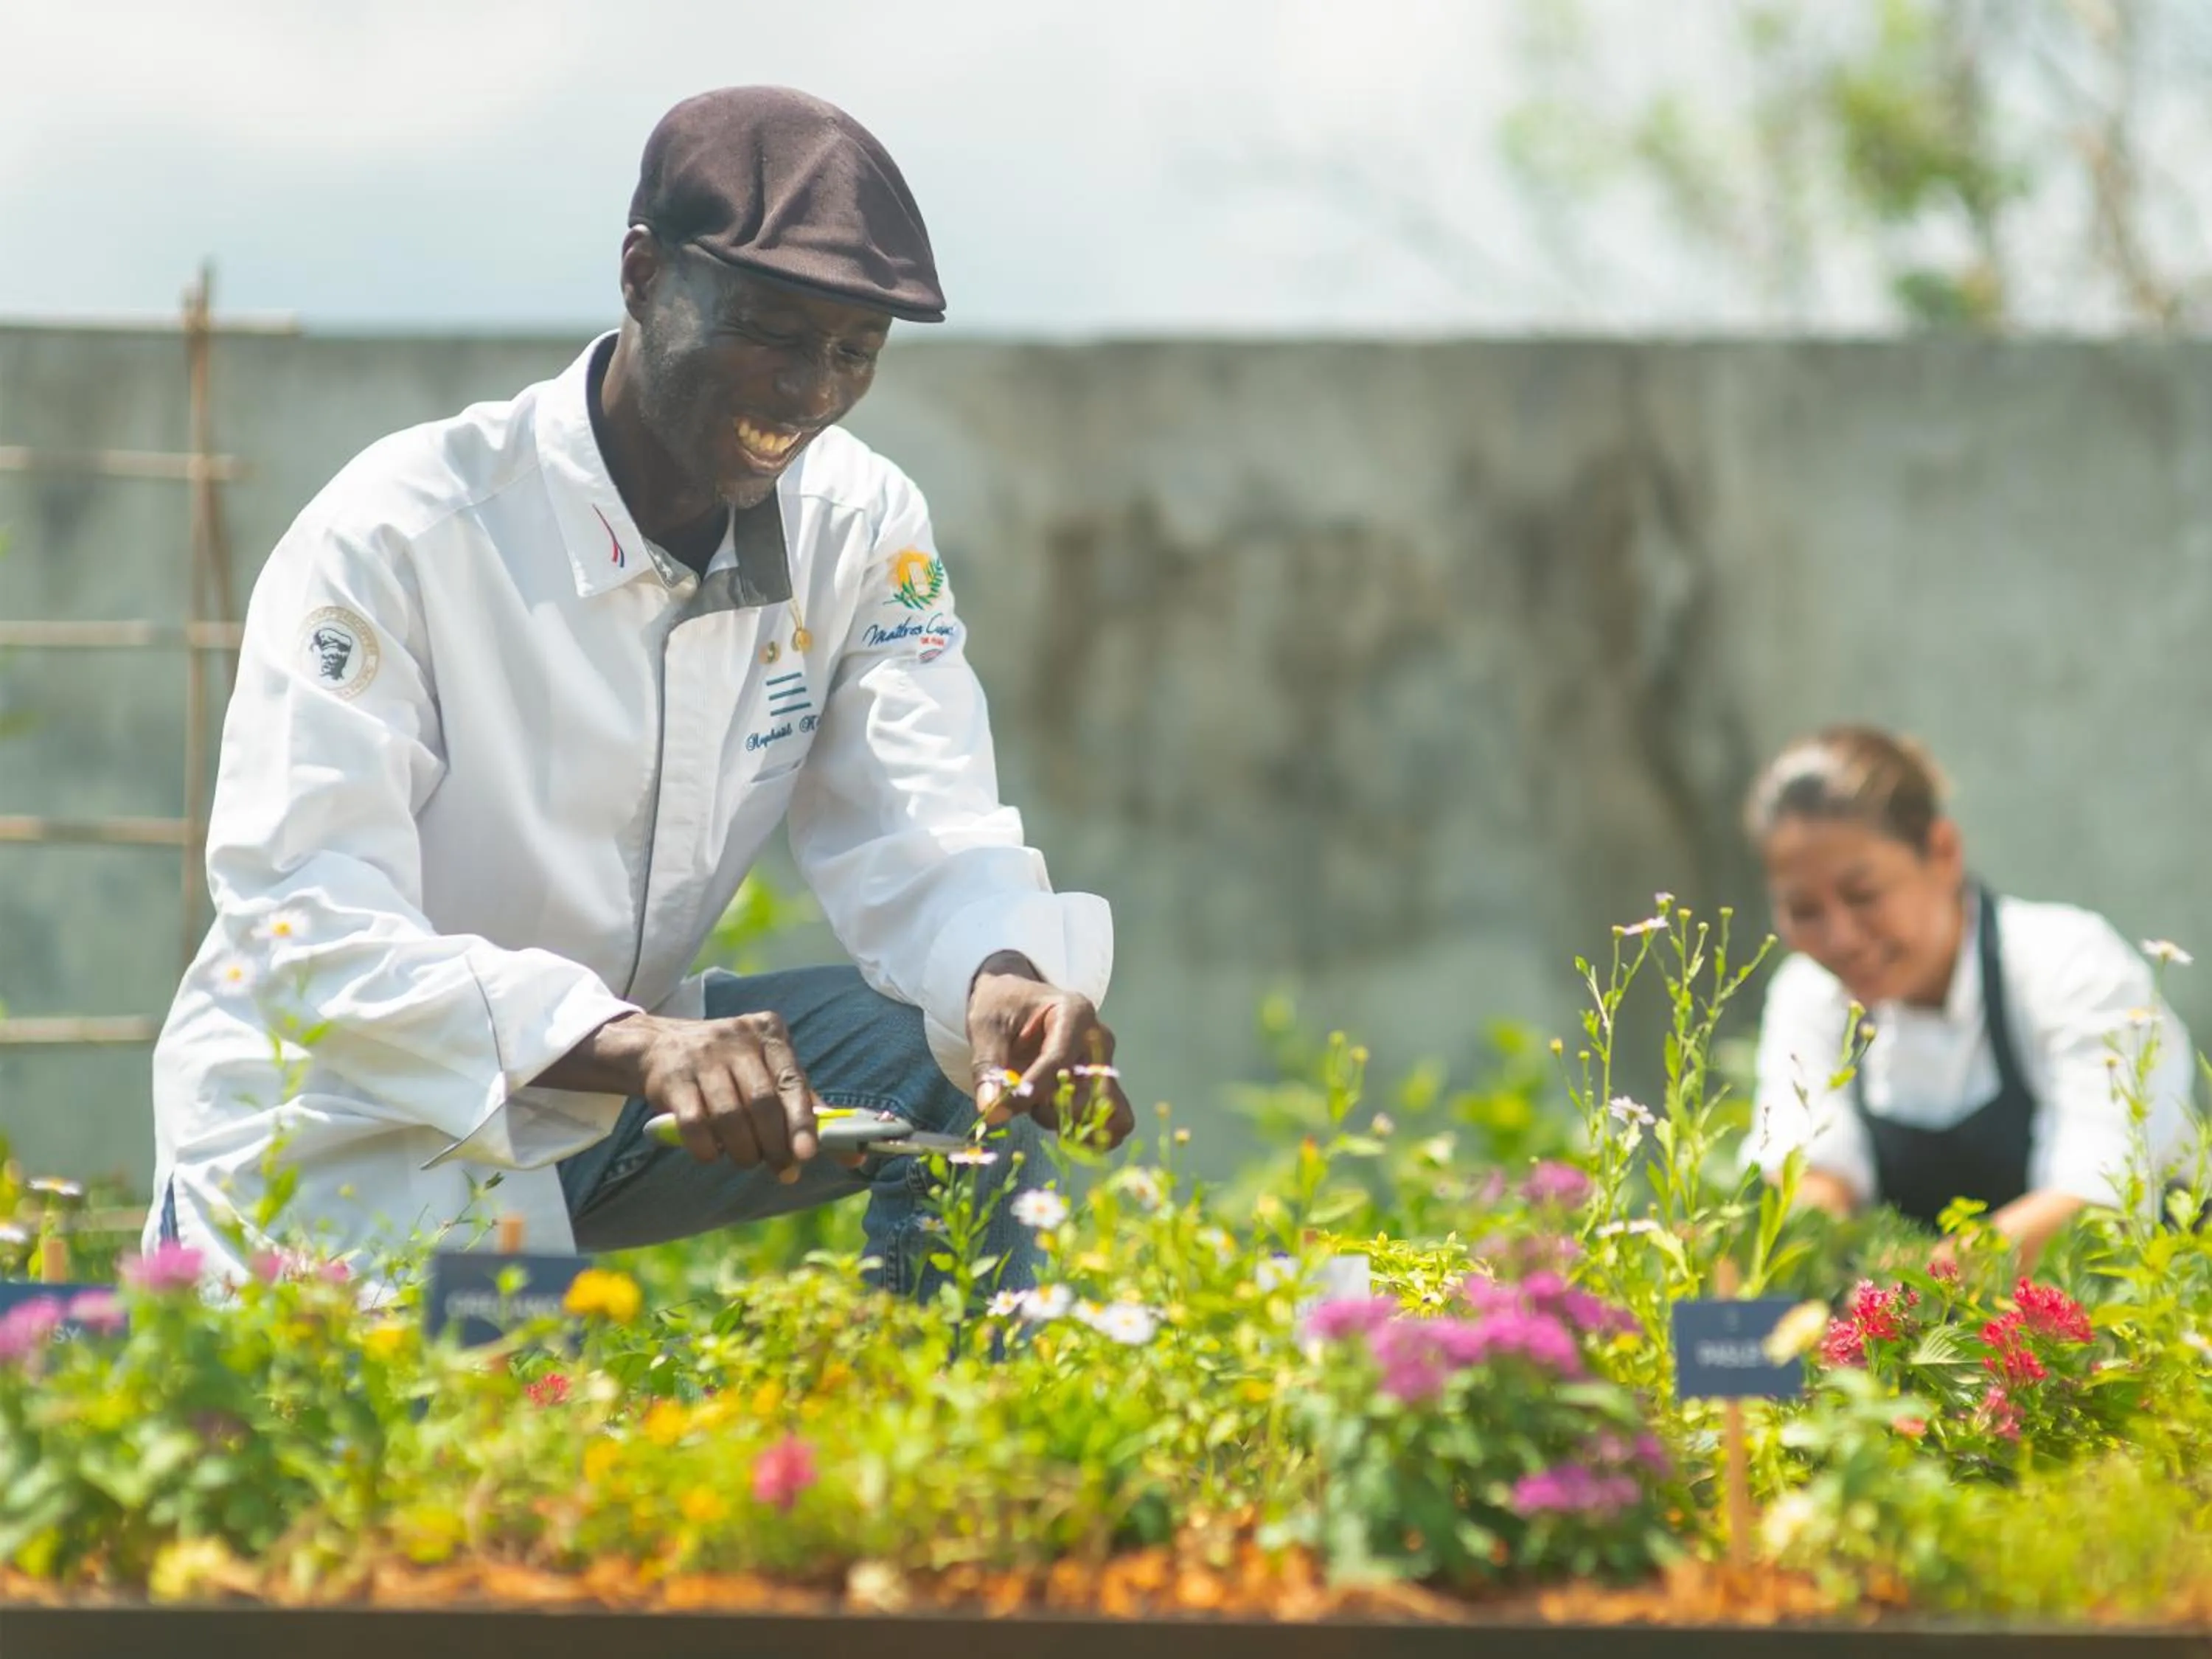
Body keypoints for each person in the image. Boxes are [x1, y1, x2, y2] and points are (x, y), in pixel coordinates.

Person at [147, 87, 1132, 1289]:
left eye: (853, 353)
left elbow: (922, 825)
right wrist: (628, 1042)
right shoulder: (406, 532)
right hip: (340, 1129)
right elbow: (303, 923)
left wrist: (1009, 978)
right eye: (771, 331)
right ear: (644, 276)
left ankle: (955, 1453)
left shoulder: (858, 526)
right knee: (438, 1466)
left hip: (610, 1088)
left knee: (950, 1051)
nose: (810, 394)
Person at [1746, 726, 2198, 1267]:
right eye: (1803, 911)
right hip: (1946, 1338)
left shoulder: (2068, 964)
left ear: (1942, 852)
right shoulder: (1811, 996)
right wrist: (1795, 1247)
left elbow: (2096, 1207)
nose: (1839, 937)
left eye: (1863, 895)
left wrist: (1914, 1291)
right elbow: (1812, 1179)